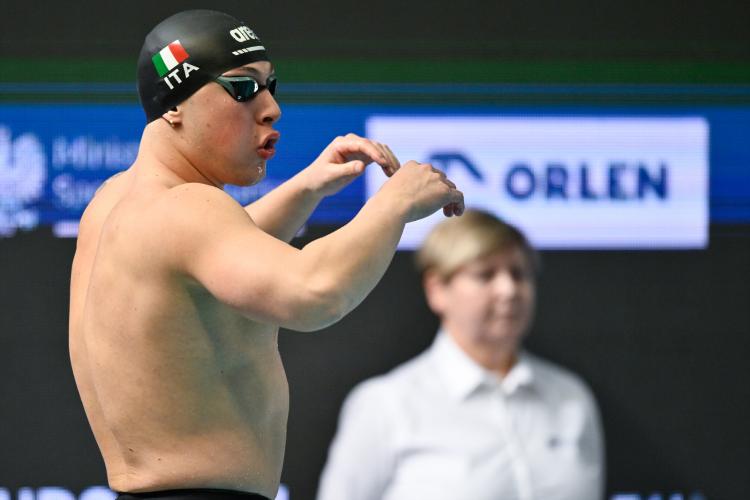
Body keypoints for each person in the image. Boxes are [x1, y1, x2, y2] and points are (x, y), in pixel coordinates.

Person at [68, 9, 464, 500]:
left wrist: (307, 186)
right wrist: (395, 203)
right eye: (242, 88)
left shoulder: (113, 203)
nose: (271, 107)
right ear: (174, 106)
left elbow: (211, 253)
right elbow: (315, 293)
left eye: (270, 86)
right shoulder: (186, 209)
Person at [317, 209, 604, 500]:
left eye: (519, 274)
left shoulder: (570, 397)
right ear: (437, 290)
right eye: (485, 275)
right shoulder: (386, 405)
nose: (509, 290)